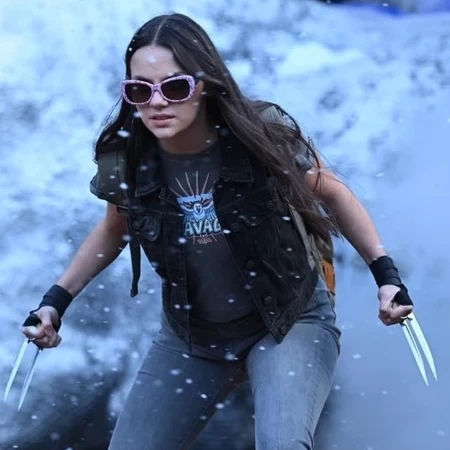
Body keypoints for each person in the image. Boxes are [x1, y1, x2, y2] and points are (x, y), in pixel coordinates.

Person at [22, 12, 414, 450]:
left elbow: (334, 194)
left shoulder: (261, 135)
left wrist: (386, 277)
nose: (157, 103)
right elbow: (114, 229)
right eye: (140, 90)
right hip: (192, 338)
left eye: (174, 87)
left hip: (287, 322)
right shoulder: (126, 158)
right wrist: (55, 302)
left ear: (203, 84)